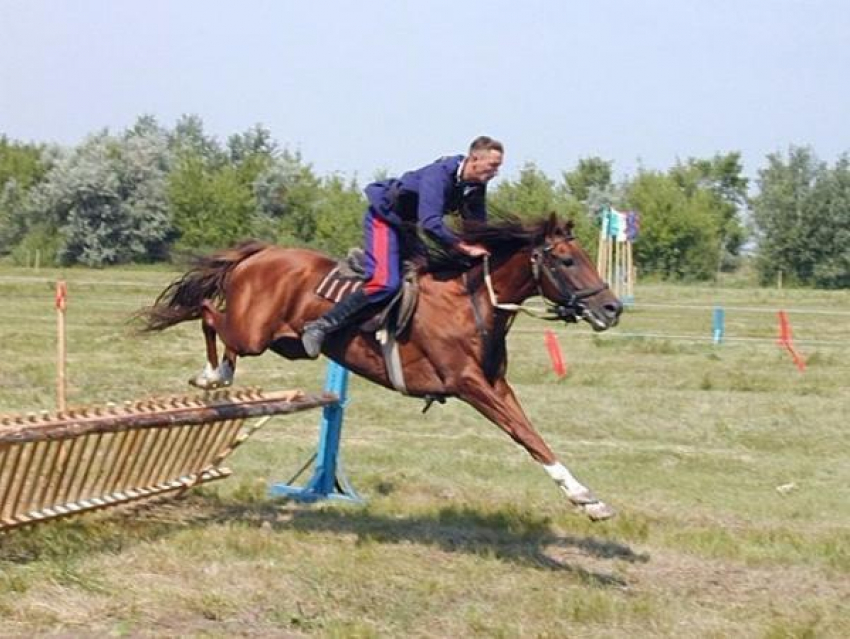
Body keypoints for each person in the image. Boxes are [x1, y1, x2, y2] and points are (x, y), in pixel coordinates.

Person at [301, 135, 504, 358]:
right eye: (493, 165)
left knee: (430, 278)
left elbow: (477, 226)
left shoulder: (474, 186)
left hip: (406, 227)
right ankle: (321, 326)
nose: (495, 172)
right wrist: (462, 246)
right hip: (384, 220)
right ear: (474, 158)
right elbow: (430, 222)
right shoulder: (438, 175)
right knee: (385, 283)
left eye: (498, 167)